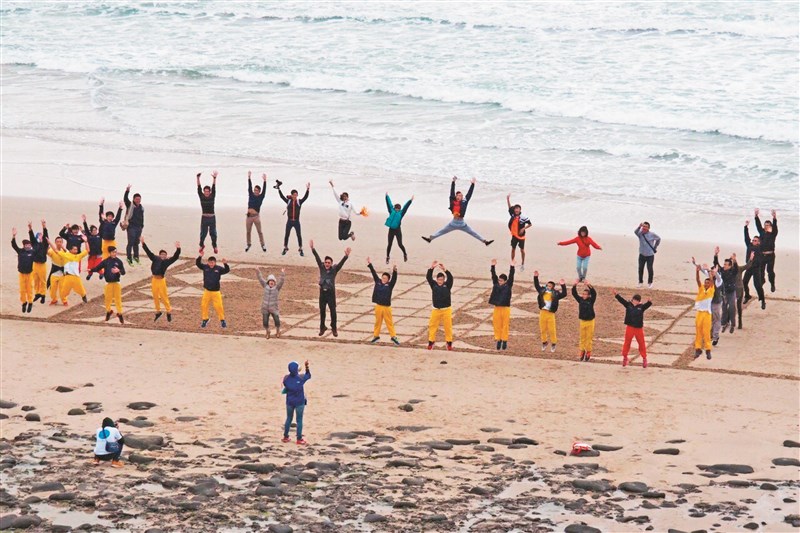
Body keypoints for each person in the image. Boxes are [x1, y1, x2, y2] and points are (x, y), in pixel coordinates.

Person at [422, 177, 493, 246]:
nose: (460, 196)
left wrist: (473, 184)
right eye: (459, 195)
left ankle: (485, 241)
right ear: (456, 196)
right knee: (442, 231)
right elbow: (452, 192)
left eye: (461, 195)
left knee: (473, 232)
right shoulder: (453, 201)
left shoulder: (464, 201)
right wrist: (453, 182)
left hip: (462, 223)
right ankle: (430, 239)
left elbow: (469, 194)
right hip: (453, 223)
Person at [310, 240, 350, 337]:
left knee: (333, 311)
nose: (327, 264)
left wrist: (346, 256)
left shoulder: (334, 269)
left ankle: (334, 327)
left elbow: (341, 264)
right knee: (322, 311)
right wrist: (313, 249)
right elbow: (317, 258)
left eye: (329, 263)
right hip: (322, 293)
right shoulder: (322, 267)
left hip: (331, 293)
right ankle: (322, 327)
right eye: (326, 262)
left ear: (331, 263)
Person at [141, 237, 181, 322]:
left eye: (164, 255)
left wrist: (178, 248)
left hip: (161, 280)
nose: (163, 256)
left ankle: (168, 311)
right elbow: (148, 252)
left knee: (163, 296)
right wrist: (143, 243)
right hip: (154, 279)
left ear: (166, 256)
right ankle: (158, 311)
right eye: (162, 254)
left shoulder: (167, 261)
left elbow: (175, 257)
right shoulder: (155, 258)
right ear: (159, 255)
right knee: (155, 296)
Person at [613, 290, 652, 368]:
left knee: (641, 343)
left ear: (639, 302)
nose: (635, 302)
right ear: (632, 299)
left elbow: (647, 305)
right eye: (634, 300)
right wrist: (616, 295)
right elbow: (622, 300)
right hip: (630, 327)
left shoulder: (641, 307)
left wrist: (649, 302)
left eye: (637, 301)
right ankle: (625, 357)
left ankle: (644, 358)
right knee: (627, 342)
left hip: (638, 328)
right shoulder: (628, 305)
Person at [88, 246, 126, 323]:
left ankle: (120, 313)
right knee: (108, 299)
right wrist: (91, 270)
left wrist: (119, 270)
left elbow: (123, 272)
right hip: (108, 283)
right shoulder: (105, 261)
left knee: (118, 299)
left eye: (115, 252)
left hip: (116, 282)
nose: (114, 253)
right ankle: (109, 311)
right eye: (113, 252)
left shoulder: (119, 261)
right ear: (110, 253)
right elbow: (98, 268)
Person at [48, 236, 89, 305]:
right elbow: (56, 250)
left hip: (76, 277)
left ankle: (83, 296)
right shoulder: (65, 255)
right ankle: (60, 300)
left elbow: (87, 250)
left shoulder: (78, 256)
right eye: (74, 250)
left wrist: (86, 241)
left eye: (76, 250)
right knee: (63, 293)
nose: (76, 251)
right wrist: (49, 242)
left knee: (81, 289)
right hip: (67, 277)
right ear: (70, 250)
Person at [367, 257, 399, 345]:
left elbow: (394, 279)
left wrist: (395, 270)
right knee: (378, 322)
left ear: (388, 279)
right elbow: (373, 273)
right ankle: (376, 336)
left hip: (386, 307)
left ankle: (393, 337)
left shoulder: (389, 285)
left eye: (385, 278)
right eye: (383, 278)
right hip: (378, 306)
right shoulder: (378, 282)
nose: (383, 279)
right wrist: (370, 264)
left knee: (389, 322)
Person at [693, 255, 723, 346]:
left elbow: (715, 277)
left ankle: (715, 336)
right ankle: (709, 335)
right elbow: (702, 271)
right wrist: (695, 264)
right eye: (711, 272)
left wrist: (712, 271)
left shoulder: (718, 280)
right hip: (709, 303)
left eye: (713, 272)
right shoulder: (709, 278)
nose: (711, 273)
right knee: (709, 320)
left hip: (716, 303)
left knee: (716, 320)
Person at [533, 272, 567, 352]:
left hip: (550, 313)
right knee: (542, 329)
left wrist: (563, 285)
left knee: (552, 329)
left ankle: (553, 343)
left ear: (552, 287)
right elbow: (536, 285)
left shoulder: (555, 294)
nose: (548, 287)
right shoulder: (542, 291)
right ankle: (544, 342)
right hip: (542, 312)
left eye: (550, 286)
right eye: (547, 285)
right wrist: (535, 277)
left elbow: (564, 294)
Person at [196, 250, 230, 328]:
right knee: (204, 305)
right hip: (207, 291)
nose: (211, 264)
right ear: (208, 262)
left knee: (219, 306)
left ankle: (222, 320)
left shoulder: (219, 268)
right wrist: (200, 256)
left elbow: (227, 270)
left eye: (212, 262)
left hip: (216, 292)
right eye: (210, 262)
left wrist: (225, 264)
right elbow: (198, 264)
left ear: (215, 262)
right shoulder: (205, 267)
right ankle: (205, 319)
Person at [427, 261, 454, 350]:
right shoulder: (434, 285)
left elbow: (451, 278)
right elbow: (428, 277)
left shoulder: (447, 285)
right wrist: (432, 268)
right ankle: (431, 341)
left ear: (443, 280)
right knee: (432, 325)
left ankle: (449, 342)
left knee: (448, 326)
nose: (440, 281)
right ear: (437, 279)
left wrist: (445, 269)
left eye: (442, 280)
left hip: (446, 309)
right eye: (439, 280)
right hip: (436, 309)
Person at [282, 360, 311, 445]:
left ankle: (285, 437)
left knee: (289, 419)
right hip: (299, 402)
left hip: (290, 401)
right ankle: (299, 439)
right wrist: (306, 367)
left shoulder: (286, 378)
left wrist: (295, 372)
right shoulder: (301, 378)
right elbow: (308, 375)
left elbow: (289, 380)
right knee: (299, 420)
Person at [278, 181, 310, 256]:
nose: (295, 196)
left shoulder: (299, 202)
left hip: (296, 221)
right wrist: (279, 189)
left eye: (296, 195)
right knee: (287, 235)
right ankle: (285, 247)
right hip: (289, 221)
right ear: (291, 195)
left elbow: (305, 197)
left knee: (299, 235)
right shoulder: (288, 201)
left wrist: (308, 189)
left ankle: (300, 248)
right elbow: (282, 197)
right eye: (294, 195)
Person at [489, 259, 515, 350]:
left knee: (505, 325)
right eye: (499, 280)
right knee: (496, 324)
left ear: (505, 281)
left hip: (505, 308)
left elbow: (511, 276)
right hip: (497, 307)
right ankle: (498, 339)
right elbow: (493, 276)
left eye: (501, 281)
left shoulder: (508, 285)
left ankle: (504, 340)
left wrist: (512, 266)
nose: (499, 282)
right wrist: (493, 266)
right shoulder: (496, 284)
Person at [714, 250, 741, 334]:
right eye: (724, 264)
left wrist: (734, 260)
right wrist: (716, 254)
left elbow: (736, 268)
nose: (724, 265)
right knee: (724, 308)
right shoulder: (721, 270)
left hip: (731, 292)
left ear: (730, 266)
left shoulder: (733, 271)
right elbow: (716, 263)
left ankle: (732, 324)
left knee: (732, 308)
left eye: (726, 264)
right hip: (724, 293)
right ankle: (724, 324)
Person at [11, 227, 37, 313]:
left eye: (29, 245)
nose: (28, 246)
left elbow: (37, 246)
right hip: (21, 274)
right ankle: (24, 302)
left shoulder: (32, 252)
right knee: (22, 290)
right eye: (26, 245)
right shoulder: (20, 251)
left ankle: (30, 302)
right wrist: (14, 236)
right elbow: (14, 245)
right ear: (24, 246)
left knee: (29, 289)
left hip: (29, 274)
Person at [693, 264, 716, 360]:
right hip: (699, 313)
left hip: (707, 313)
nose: (706, 284)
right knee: (698, 331)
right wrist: (697, 271)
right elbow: (697, 280)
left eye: (708, 283)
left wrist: (710, 273)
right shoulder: (701, 288)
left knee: (706, 332)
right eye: (705, 282)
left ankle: (708, 350)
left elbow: (712, 281)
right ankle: (698, 348)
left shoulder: (711, 290)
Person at [571, 280, 597, 362]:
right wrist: (574, 285)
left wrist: (589, 285)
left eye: (586, 294)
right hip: (582, 321)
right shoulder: (580, 300)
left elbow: (594, 293)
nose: (584, 295)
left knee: (589, 337)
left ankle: (588, 351)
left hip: (590, 321)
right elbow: (574, 293)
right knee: (582, 337)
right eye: (583, 294)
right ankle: (582, 351)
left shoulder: (591, 300)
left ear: (589, 296)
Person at [742, 222, 766, 309]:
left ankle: (762, 300)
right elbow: (746, 237)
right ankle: (747, 295)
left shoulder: (760, 248)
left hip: (756, 269)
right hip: (749, 268)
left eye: (755, 240)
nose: (753, 241)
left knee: (758, 286)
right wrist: (746, 227)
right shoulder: (749, 246)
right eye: (753, 240)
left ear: (759, 242)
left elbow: (760, 261)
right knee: (744, 282)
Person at [385, 192, 413, 264]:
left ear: (400, 209)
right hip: (391, 230)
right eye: (396, 209)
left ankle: (405, 254)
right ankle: (387, 257)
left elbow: (406, 207)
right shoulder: (391, 211)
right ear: (394, 208)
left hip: (397, 230)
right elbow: (389, 204)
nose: (397, 210)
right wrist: (387, 196)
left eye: (398, 209)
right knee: (389, 244)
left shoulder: (401, 213)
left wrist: (410, 200)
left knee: (400, 244)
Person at [257, 268, 285, 339]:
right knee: (265, 322)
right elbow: (260, 278)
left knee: (277, 321)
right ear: (268, 282)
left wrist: (282, 273)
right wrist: (258, 271)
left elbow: (281, 281)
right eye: (270, 281)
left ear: (274, 282)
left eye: (273, 281)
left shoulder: (276, 288)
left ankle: (278, 331)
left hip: (274, 308)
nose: (271, 282)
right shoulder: (265, 286)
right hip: (265, 308)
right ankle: (268, 331)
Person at [754, 208, 778, 292]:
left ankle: (772, 283)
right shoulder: (761, 232)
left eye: (768, 225)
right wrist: (756, 216)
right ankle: (762, 280)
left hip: (770, 255)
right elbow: (758, 225)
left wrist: (774, 218)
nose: (766, 226)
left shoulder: (773, 233)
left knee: (770, 271)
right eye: (765, 225)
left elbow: (775, 227)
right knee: (761, 270)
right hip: (762, 255)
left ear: (770, 226)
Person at [506, 194, 531, 271]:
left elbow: (530, 224)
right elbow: (509, 207)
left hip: (521, 236)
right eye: (515, 209)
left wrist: (523, 228)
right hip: (514, 235)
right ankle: (512, 262)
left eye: (518, 209)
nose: (516, 210)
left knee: (522, 250)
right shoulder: (512, 215)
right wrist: (508, 199)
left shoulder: (523, 217)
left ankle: (523, 263)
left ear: (520, 210)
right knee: (513, 249)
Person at [197, 171, 219, 253]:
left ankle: (215, 246)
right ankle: (201, 245)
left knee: (213, 233)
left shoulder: (212, 196)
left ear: (209, 192)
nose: (206, 193)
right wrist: (198, 178)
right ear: (203, 192)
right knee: (203, 233)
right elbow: (198, 187)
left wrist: (214, 179)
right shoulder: (201, 196)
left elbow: (214, 187)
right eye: (205, 191)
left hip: (212, 218)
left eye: (208, 191)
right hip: (204, 218)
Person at [123, 184, 145, 265]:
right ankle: (129, 258)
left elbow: (142, 217)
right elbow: (125, 199)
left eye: (139, 199)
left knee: (136, 243)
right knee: (130, 243)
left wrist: (142, 226)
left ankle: (136, 257)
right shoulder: (130, 205)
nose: (138, 200)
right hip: (131, 227)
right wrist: (127, 190)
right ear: (134, 199)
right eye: (137, 199)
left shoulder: (141, 207)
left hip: (138, 227)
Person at [246, 171, 267, 252]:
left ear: (259, 191)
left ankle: (263, 245)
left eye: (257, 190)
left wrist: (265, 181)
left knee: (260, 231)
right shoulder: (251, 194)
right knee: (248, 231)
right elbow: (249, 187)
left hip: (256, 216)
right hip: (249, 216)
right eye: (254, 190)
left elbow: (264, 190)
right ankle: (248, 244)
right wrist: (249, 177)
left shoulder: (261, 197)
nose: (255, 191)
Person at [634, 221, 660, 288]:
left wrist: (655, 247)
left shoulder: (652, 234)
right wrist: (639, 226)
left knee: (650, 269)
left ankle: (650, 283)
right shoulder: (640, 234)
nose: (644, 228)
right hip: (642, 254)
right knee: (640, 268)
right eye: (643, 226)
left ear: (649, 228)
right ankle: (640, 282)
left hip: (650, 255)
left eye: (646, 227)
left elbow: (659, 239)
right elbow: (635, 232)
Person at [28, 220, 49, 304]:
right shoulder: (34, 244)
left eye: (41, 235)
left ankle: (43, 294)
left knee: (43, 280)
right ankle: (37, 293)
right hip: (35, 264)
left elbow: (46, 235)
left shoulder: (45, 244)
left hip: (42, 265)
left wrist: (44, 227)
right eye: (39, 235)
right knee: (35, 279)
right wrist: (30, 228)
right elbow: (31, 237)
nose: (40, 236)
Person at [733, 251, 753, 330]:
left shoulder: (739, 269)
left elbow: (747, 266)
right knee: (730, 306)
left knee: (739, 306)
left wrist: (751, 259)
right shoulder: (728, 271)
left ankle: (740, 321)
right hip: (732, 290)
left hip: (740, 290)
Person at [46, 236, 67, 305]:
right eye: (57, 242)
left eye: (60, 242)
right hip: (54, 272)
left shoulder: (65, 251)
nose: (59, 243)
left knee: (63, 289)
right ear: (55, 242)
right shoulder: (51, 251)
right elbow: (46, 252)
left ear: (62, 243)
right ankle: (54, 299)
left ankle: (64, 301)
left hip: (63, 273)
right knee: (52, 289)